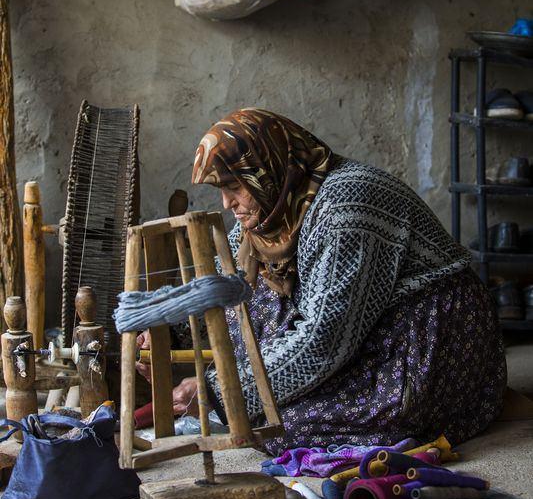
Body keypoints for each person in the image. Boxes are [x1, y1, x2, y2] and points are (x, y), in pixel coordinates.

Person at [141, 107, 507, 455]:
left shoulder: (346, 205)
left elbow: (324, 339)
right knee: (251, 292)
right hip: (362, 331)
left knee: (279, 425)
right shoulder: (274, 211)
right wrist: (169, 333)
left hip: (430, 332)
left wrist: (223, 391)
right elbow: (224, 285)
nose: (226, 203)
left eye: (234, 187)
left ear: (266, 169)